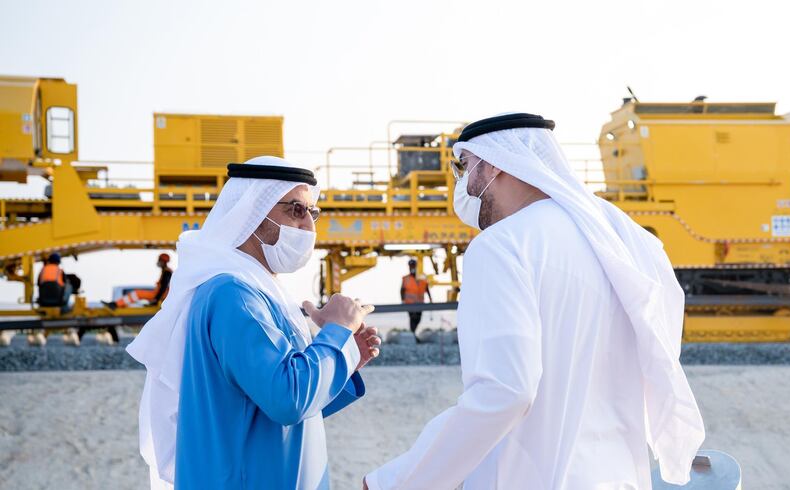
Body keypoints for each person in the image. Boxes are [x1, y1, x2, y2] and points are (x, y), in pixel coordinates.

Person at [365, 113, 704, 489]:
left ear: (492, 164)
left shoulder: (503, 246)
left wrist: (398, 481)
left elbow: (504, 392)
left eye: (464, 168)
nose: (462, 185)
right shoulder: (627, 241)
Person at [126, 156, 381, 490]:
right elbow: (288, 398)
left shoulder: (260, 292)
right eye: (295, 210)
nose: (309, 227)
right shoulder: (234, 294)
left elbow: (273, 414)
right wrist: (337, 332)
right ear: (253, 213)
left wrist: (343, 360)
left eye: (312, 213)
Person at [103, 253, 172, 310]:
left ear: (163, 261)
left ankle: (116, 304)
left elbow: (163, 287)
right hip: (159, 295)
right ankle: (117, 304)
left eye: (159, 260)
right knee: (136, 293)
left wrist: (156, 300)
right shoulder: (166, 271)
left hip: (160, 295)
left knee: (136, 294)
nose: (158, 262)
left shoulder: (167, 272)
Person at [400, 258, 431, 340]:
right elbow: (402, 290)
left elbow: (427, 289)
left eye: (413, 266)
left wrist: (431, 299)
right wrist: (403, 301)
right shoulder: (406, 278)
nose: (412, 268)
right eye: (411, 266)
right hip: (409, 303)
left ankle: (413, 334)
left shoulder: (423, 278)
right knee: (413, 318)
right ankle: (413, 335)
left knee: (418, 319)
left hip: (420, 303)